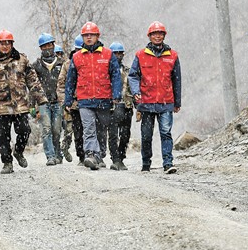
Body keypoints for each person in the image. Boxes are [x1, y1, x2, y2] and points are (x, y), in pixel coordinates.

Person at [0, 30, 48, 174]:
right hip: (0, 106)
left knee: (24, 130)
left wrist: (40, 98)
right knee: (3, 137)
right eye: (2, 43)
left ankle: (18, 151)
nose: (5, 46)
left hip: (20, 105)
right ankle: (7, 162)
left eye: (7, 43)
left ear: (12, 44)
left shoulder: (22, 60)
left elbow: (32, 80)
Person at [64, 22, 122, 171]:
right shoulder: (76, 57)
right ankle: (90, 154)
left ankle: (100, 154)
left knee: (101, 129)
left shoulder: (108, 54)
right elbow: (70, 80)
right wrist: (68, 99)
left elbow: (116, 75)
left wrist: (116, 94)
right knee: (88, 129)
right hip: (85, 100)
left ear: (97, 36)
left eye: (91, 35)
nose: (88, 37)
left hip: (104, 99)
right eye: (85, 35)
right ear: (82, 37)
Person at [128, 21, 181, 174]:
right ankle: (146, 164)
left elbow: (177, 80)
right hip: (146, 102)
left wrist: (177, 102)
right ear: (149, 36)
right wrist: (136, 92)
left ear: (164, 35)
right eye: (154, 33)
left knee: (166, 132)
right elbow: (133, 76)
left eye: (160, 33)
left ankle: (168, 163)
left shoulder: (172, 56)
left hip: (166, 101)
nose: (157, 36)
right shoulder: (140, 55)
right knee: (146, 135)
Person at [32, 33, 65, 165]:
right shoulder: (36, 65)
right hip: (43, 102)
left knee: (56, 130)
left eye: (49, 45)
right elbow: (32, 86)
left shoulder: (61, 64)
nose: (47, 48)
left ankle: (58, 153)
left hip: (58, 102)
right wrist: (32, 105)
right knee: (46, 130)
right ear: (41, 48)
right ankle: (50, 156)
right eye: (44, 46)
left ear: (53, 45)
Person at [57, 34, 85, 165]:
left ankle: (92, 154)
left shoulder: (91, 62)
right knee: (75, 131)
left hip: (89, 101)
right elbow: (61, 85)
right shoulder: (68, 65)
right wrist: (65, 102)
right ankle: (81, 156)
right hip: (73, 103)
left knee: (90, 130)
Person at [108, 41, 134, 171]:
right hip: (112, 107)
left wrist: (138, 105)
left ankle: (121, 157)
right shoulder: (106, 72)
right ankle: (115, 159)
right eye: (115, 53)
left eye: (120, 53)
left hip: (127, 106)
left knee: (125, 134)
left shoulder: (128, 71)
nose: (118, 56)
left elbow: (133, 88)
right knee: (113, 134)